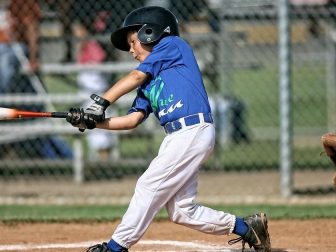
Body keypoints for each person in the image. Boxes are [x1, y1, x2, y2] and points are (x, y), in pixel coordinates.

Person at [66, 6, 271, 252]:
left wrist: (100, 103)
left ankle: (115, 248)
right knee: (182, 211)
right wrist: (92, 123)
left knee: (147, 186)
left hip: (192, 130)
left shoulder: (172, 45)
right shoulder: (149, 81)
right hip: (178, 137)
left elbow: (134, 77)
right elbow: (132, 120)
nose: (131, 51)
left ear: (150, 33)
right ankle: (247, 228)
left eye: (133, 43)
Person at [74, 12, 116, 161]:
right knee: (93, 110)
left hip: (95, 69)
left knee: (96, 110)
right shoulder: (91, 15)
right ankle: (101, 156)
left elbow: (82, 33)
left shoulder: (102, 19)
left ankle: (103, 156)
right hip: (92, 68)